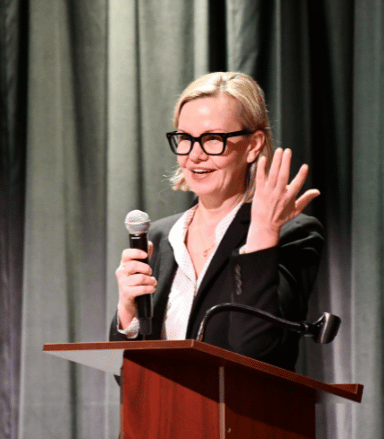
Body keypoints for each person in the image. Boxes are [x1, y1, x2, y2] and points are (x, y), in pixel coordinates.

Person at [109, 71, 323, 371]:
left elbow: (256, 352)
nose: (194, 155)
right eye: (185, 139)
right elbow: (130, 378)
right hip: (164, 404)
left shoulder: (292, 233)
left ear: (253, 145)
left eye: (212, 139)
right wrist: (127, 312)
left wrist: (262, 234)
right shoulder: (158, 237)